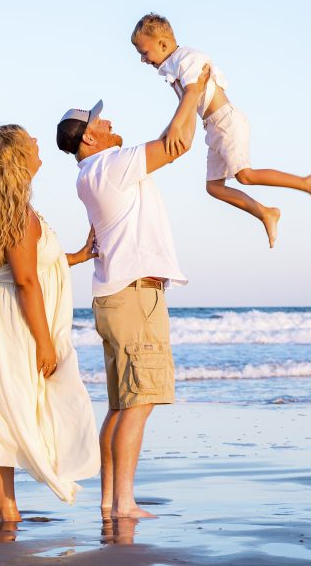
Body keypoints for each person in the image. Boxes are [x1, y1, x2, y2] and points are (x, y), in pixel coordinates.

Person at [55, 91, 198, 519]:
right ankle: (123, 502)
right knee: (139, 403)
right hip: (136, 296)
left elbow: (166, 142)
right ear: (89, 140)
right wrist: (191, 91)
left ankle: (109, 500)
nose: (108, 121)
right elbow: (178, 144)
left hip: (112, 297)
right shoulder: (110, 165)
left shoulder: (89, 174)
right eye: (99, 122)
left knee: (121, 406)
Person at [0, 124, 100, 524]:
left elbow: (28, 267)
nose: (38, 144)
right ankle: (5, 506)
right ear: (17, 157)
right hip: (18, 322)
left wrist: (77, 256)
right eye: (30, 141)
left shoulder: (0, 210)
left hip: (0, 316)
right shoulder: (18, 215)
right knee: (13, 407)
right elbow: (26, 281)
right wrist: (45, 343)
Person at [131, 12, 311, 248]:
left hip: (226, 122)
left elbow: (192, 93)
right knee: (214, 188)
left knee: (245, 175)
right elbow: (186, 103)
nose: (143, 60)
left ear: (163, 44)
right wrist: (169, 129)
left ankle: (306, 183)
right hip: (213, 127)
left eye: (144, 53)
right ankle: (266, 213)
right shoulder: (174, 66)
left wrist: (176, 126)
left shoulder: (187, 58)